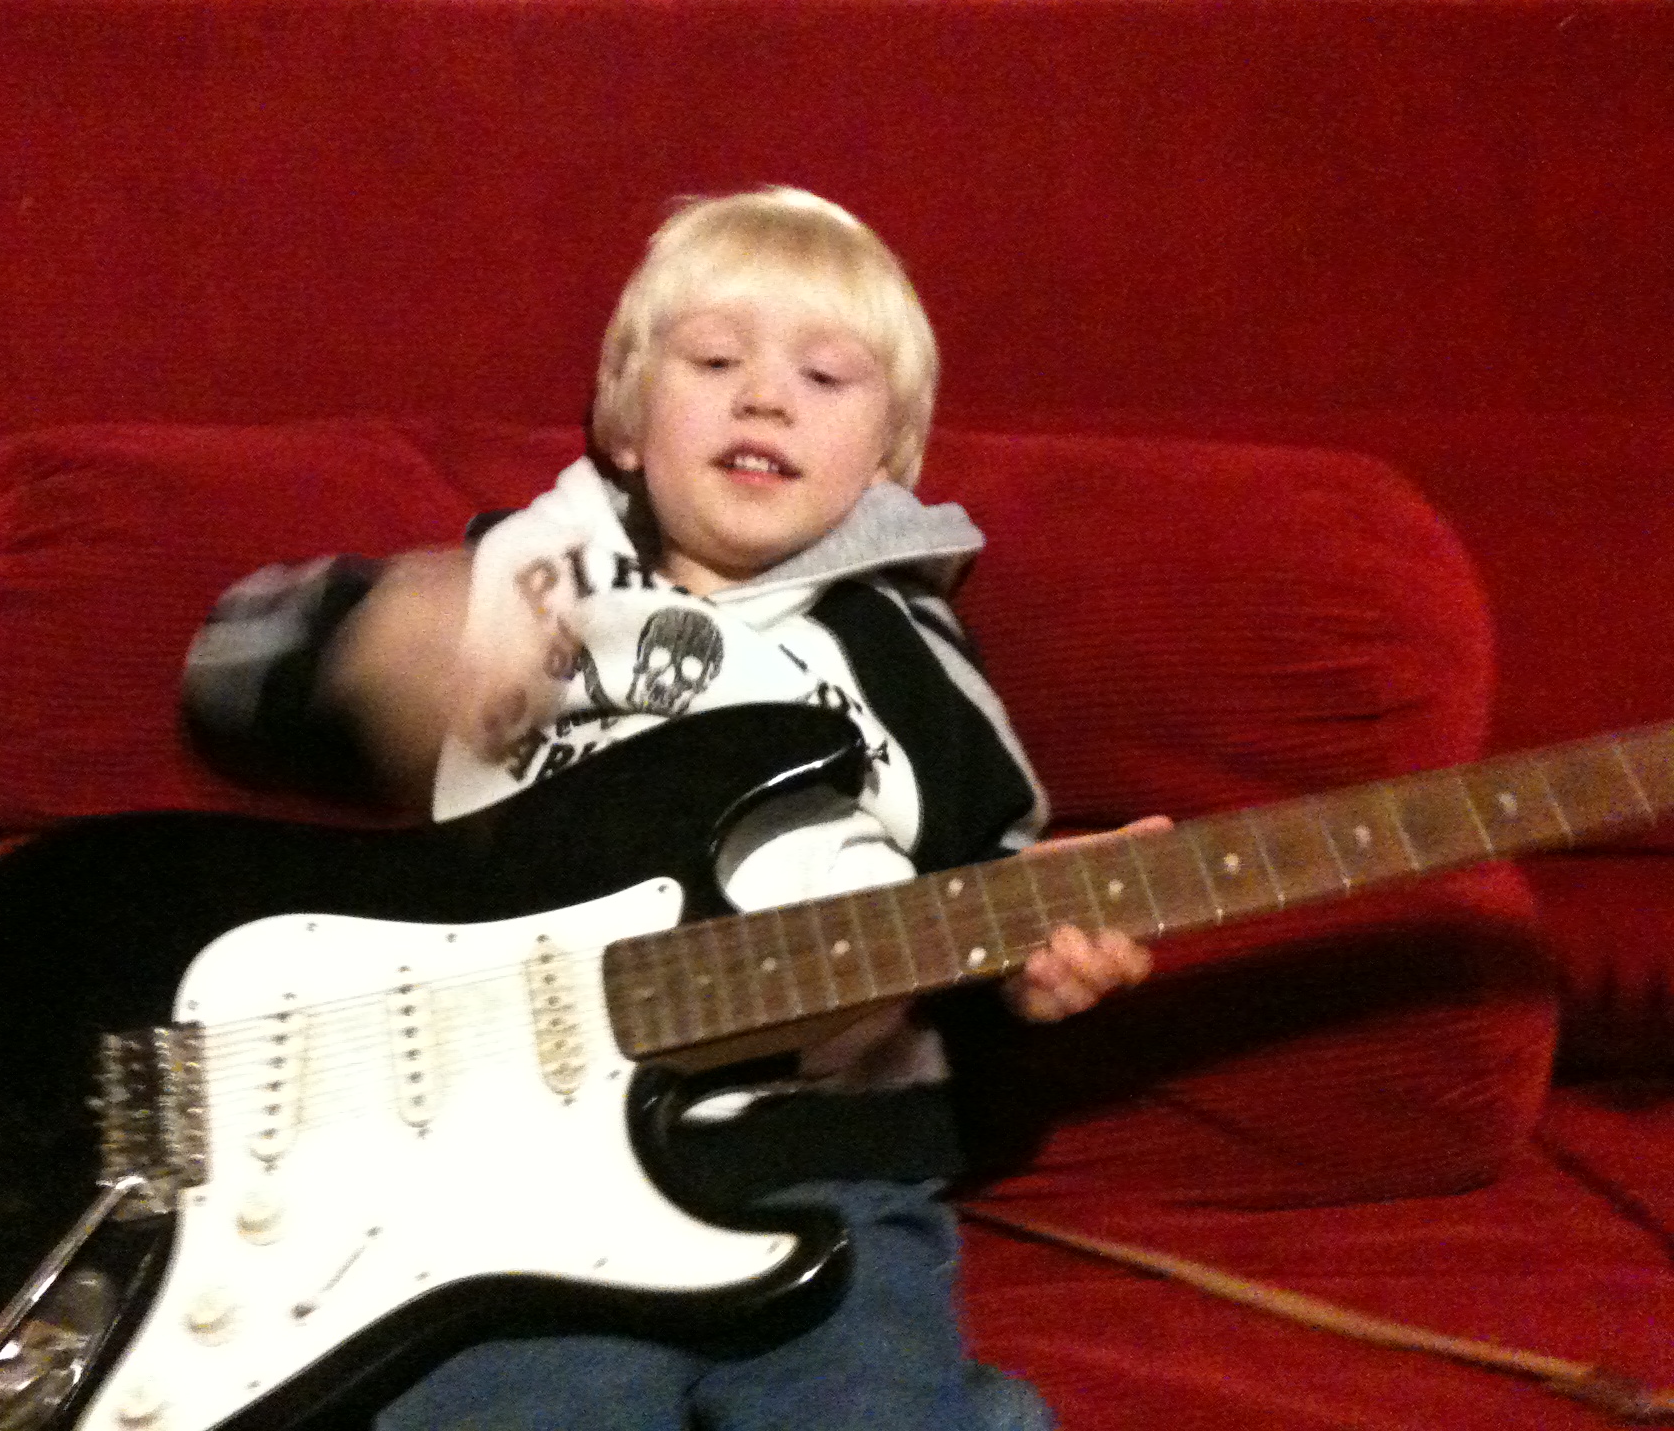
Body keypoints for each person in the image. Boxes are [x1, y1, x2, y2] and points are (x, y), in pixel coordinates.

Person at [183, 187, 1158, 1430]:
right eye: (712, 361)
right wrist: (364, 644)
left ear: (883, 462)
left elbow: (984, 897)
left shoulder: (911, 661)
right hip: (502, 1189)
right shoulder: (513, 585)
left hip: (821, 1167)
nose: (765, 399)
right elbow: (225, 673)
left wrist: (1036, 974)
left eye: (823, 376)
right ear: (628, 423)